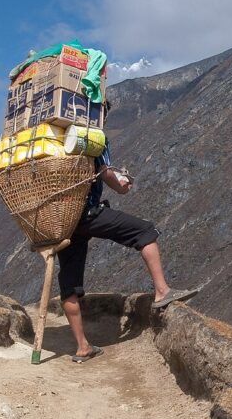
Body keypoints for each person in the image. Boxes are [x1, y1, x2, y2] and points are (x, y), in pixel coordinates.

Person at [58, 142, 197, 362]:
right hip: (88, 213)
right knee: (145, 231)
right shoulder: (92, 136)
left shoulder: (54, 143)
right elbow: (104, 172)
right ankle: (162, 291)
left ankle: (82, 346)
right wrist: (122, 186)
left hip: (63, 221)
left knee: (69, 280)